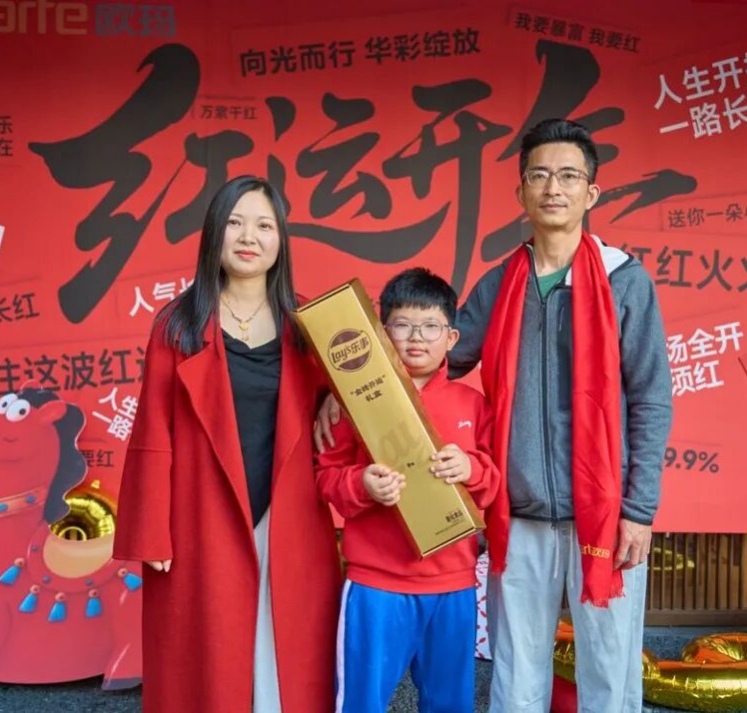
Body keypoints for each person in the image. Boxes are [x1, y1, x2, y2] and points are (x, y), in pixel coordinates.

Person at [316, 119, 673, 713]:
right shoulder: (501, 283)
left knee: (610, 672)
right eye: (539, 175)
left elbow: (652, 396)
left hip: (605, 511)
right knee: (516, 672)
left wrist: (639, 510)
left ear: (591, 192)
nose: (553, 188)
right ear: (521, 191)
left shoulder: (623, 281)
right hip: (520, 511)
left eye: (568, 176)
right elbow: (431, 356)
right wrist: (350, 389)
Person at [113, 176, 342, 713]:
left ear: (281, 240)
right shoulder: (179, 325)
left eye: (264, 225)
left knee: (290, 649)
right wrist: (152, 533)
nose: (249, 237)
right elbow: (152, 432)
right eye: (235, 223)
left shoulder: (308, 323)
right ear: (215, 234)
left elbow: (360, 393)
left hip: (288, 510)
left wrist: (336, 397)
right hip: (202, 512)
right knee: (210, 653)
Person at [315, 268, 501, 713]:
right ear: (382, 333)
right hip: (375, 584)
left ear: (452, 338)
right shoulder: (352, 401)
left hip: (453, 585)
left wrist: (471, 468)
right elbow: (326, 477)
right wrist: (362, 483)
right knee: (362, 702)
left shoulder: (473, 405)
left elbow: (495, 483)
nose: (416, 338)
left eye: (431, 326)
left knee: (450, 703)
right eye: (402, 325)